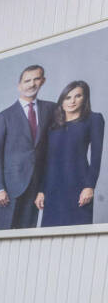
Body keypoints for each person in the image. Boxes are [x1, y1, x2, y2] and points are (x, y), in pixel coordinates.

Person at [0, 64, 56, 230]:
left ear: (43, 81)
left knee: (27, 232)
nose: (32, 84)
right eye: (27, 80)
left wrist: (44, 188)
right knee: (4, 233)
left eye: (36, 79)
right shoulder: (4, 117)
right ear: (19, 85)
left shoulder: (51, 109)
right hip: (10, 188)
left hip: (36, 186)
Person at [36, 80, 105, 227]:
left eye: (78, 96)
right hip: (53, 189)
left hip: (78, 186)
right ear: (62, 100)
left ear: (85, 98)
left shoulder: (94, 119)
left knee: (78, 237)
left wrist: (89, 186)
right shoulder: (52, 124)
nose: (72, 101)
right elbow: (47, 161)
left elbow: (96, 157)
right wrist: (41, 190)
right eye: (68, 97)